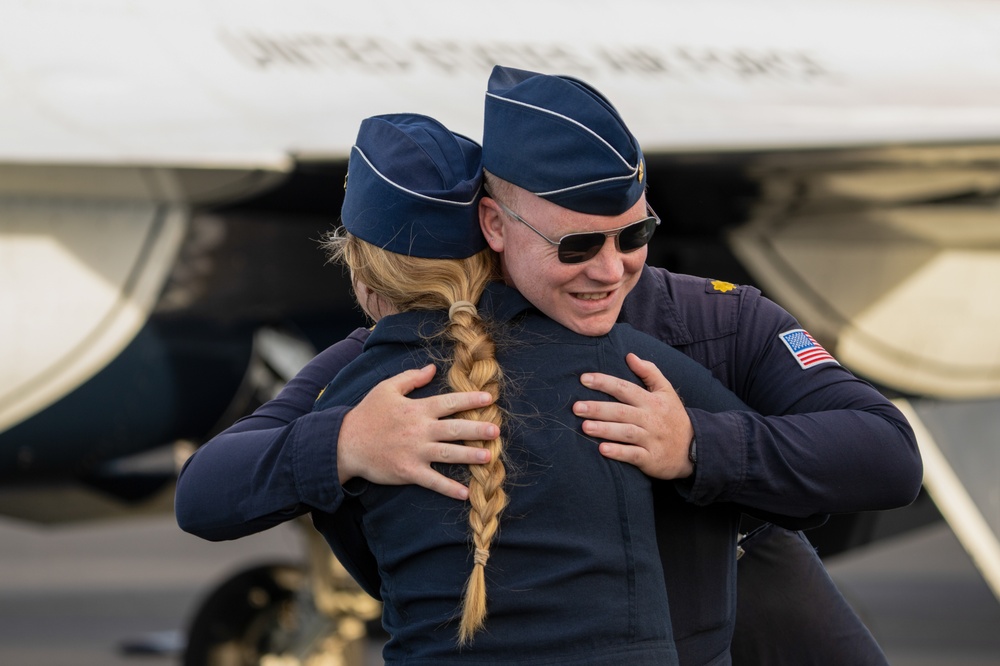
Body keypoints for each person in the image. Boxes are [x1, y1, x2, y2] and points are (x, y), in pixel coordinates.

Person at [176, 66, 923, 665]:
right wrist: (344, 445)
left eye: (635, 236)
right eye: (576, 247)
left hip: (742, 587)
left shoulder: (717, 320)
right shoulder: (411, 360)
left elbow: (885, 454)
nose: (612, 270)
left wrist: (697, 447)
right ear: (495, 227)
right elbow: (211, 489)